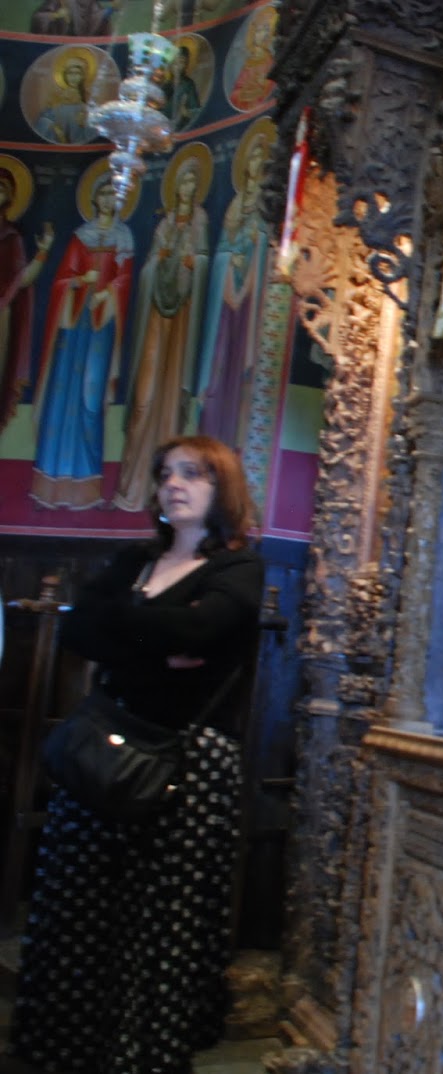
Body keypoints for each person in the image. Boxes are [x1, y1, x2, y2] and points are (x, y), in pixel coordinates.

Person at [8, 434, 263, 1074]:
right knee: (78, 903)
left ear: (222, 488)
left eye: (193, 474)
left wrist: (125, 629)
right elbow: (78, 628)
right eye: (166, 473)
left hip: (187, 761)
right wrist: (154, 641)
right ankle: (66, 1050)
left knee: (160, 921)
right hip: (105, 747)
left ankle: (140, 1056)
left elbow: (201, 630)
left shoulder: (237, 570)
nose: (173, 484)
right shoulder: (134, 559)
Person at [115, 149, 212, 511]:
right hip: (156, 318)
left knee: (171, 396)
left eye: (192, 180)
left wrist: (191, 263)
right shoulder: (164, 225)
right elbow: (147, 270)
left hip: (182, 322)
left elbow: (204, 261)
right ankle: (134, 482)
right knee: (144, 396)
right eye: (182, 180)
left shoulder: (199, 221)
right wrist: (160, 263)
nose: (187, 186)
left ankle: (162, 491)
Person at [32, 169, 134, 510]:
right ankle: (50, 483)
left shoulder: (124, 238)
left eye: (112, 194)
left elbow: (126, 279)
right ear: (94, 199)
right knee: (63, 396)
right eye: (102, 194)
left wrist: (108, 292)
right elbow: (62, 280)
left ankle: (87, 485)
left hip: (102, 326)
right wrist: (81, 281)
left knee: (92, 397)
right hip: (74, 325)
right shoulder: (81, 236)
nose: (107, 199)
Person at [194, 131, 270, 446]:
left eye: (263, 160)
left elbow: (267, 244)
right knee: (218, 364)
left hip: (252, 298)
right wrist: (229, 261)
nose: (257, 165)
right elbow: (222, 248)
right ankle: (209, 434)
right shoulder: (236, 205)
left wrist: (255, 248)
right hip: (226, 299)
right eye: (253, 159)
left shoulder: (268, 203)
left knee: (242, 369)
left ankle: (236, 440)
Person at [0, 163, 53, 436]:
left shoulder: (11, 237)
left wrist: (43, 252)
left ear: (9, 196)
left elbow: (21, 279)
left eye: (1, 189)